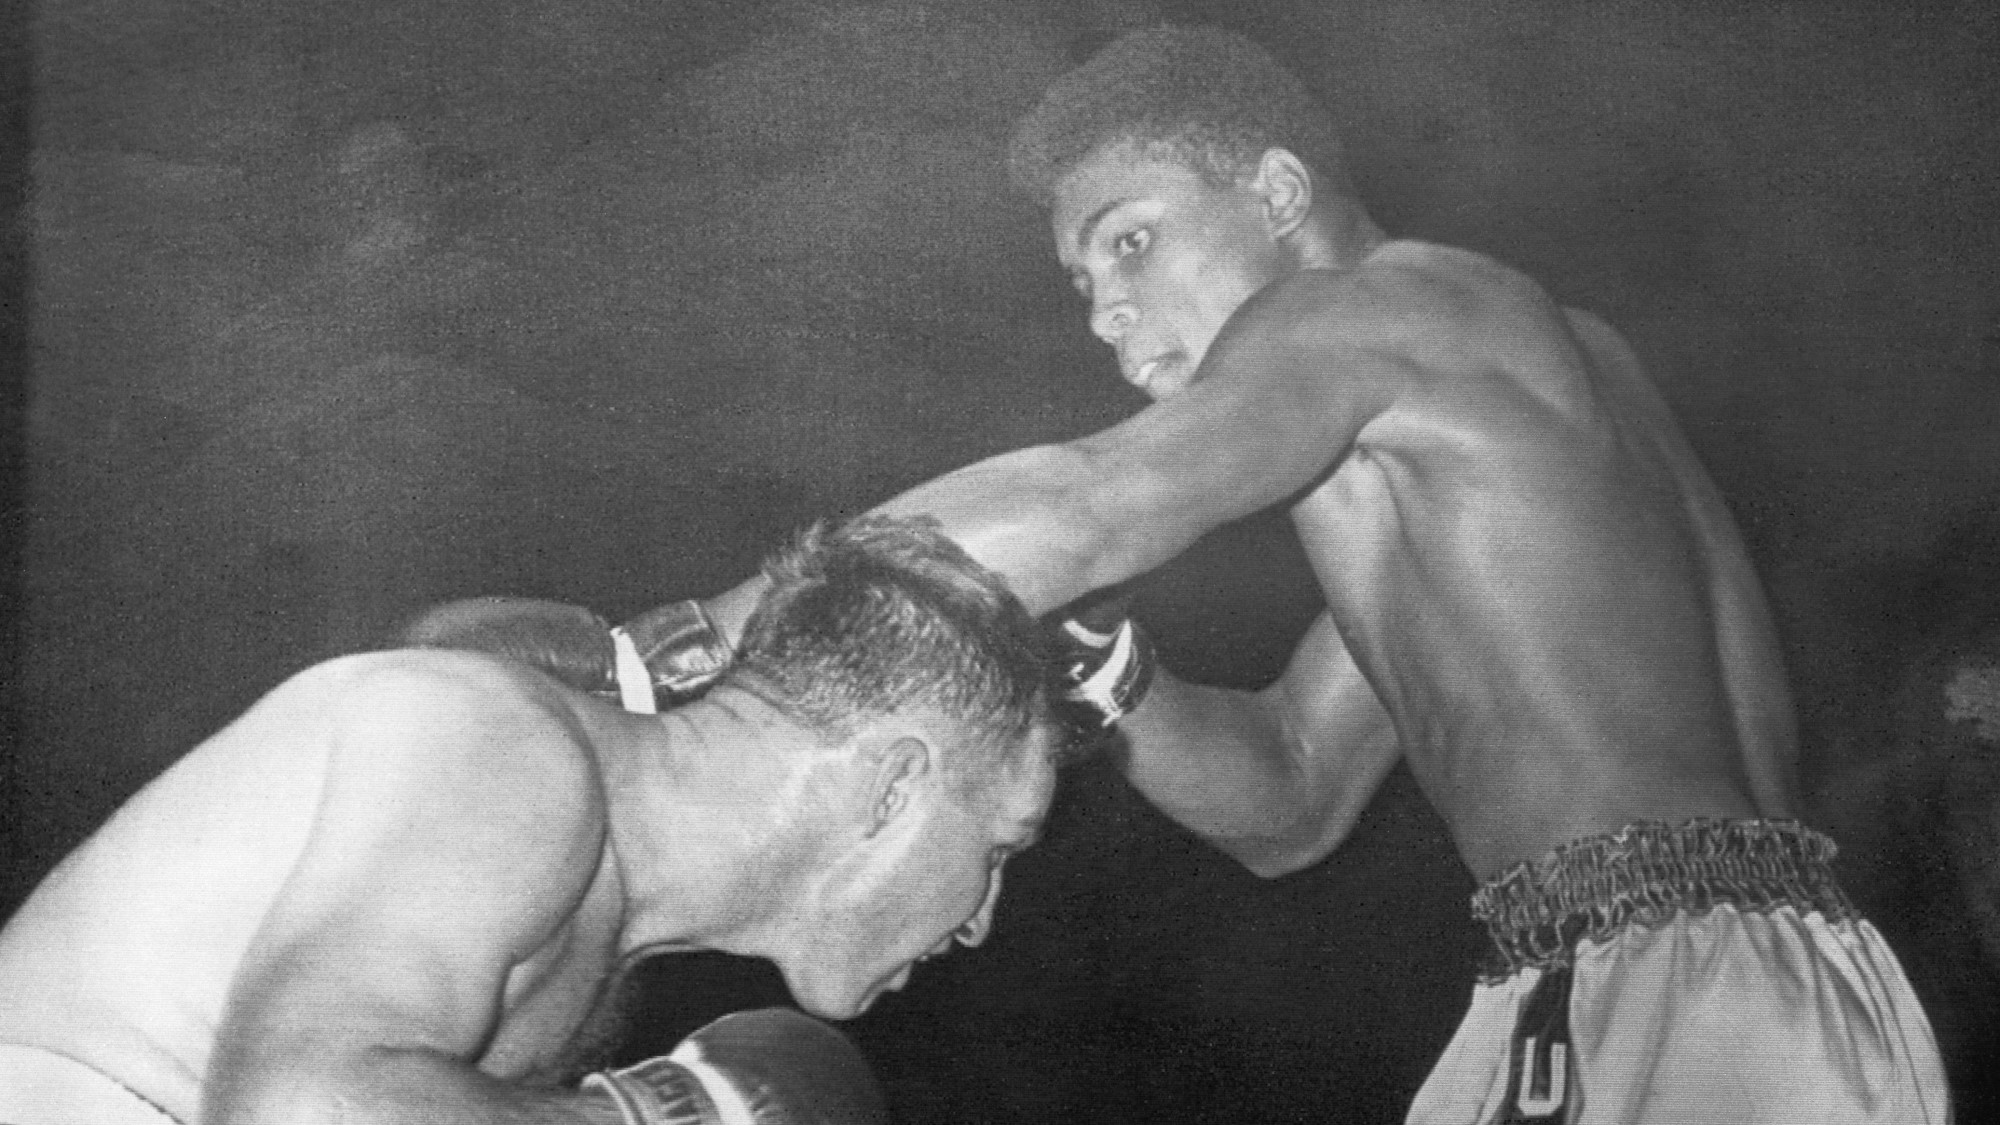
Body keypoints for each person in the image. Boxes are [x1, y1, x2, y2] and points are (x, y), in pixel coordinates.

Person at [678, 25, 1950, 1124]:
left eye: (1131, 242)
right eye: (1082, 281)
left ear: (1278, 191)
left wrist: (691, 650)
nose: (1103, 310)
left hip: (1669, 985)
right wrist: (1104, 671)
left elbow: (1091, 502)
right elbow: (1288, 795)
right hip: (1759, 975)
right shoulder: (1493, 410)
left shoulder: (1375, 311)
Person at [0, 515, 1062, 1125]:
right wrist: (662, 1115)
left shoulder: (594, 938)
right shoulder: (505, 747)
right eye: (1000, 846)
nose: (980, 920)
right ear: (893, 788)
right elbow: (297, 1113)